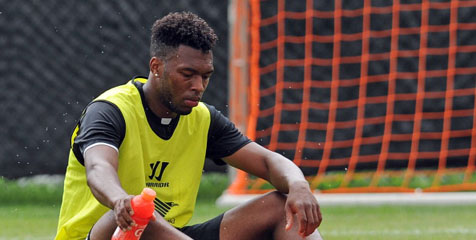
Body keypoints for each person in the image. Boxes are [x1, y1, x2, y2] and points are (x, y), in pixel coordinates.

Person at [55, 11, 323, 240]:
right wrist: (118, 199)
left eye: (205, 76)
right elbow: (98, 168)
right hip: (107, 233)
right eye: (188, 74)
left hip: (171, 234)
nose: (198, 86)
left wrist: (298, 185)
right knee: (137, 210)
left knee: (281, 204)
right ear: (156, 66)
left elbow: (268, 162)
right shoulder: (110, 110)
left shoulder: (202, 118)